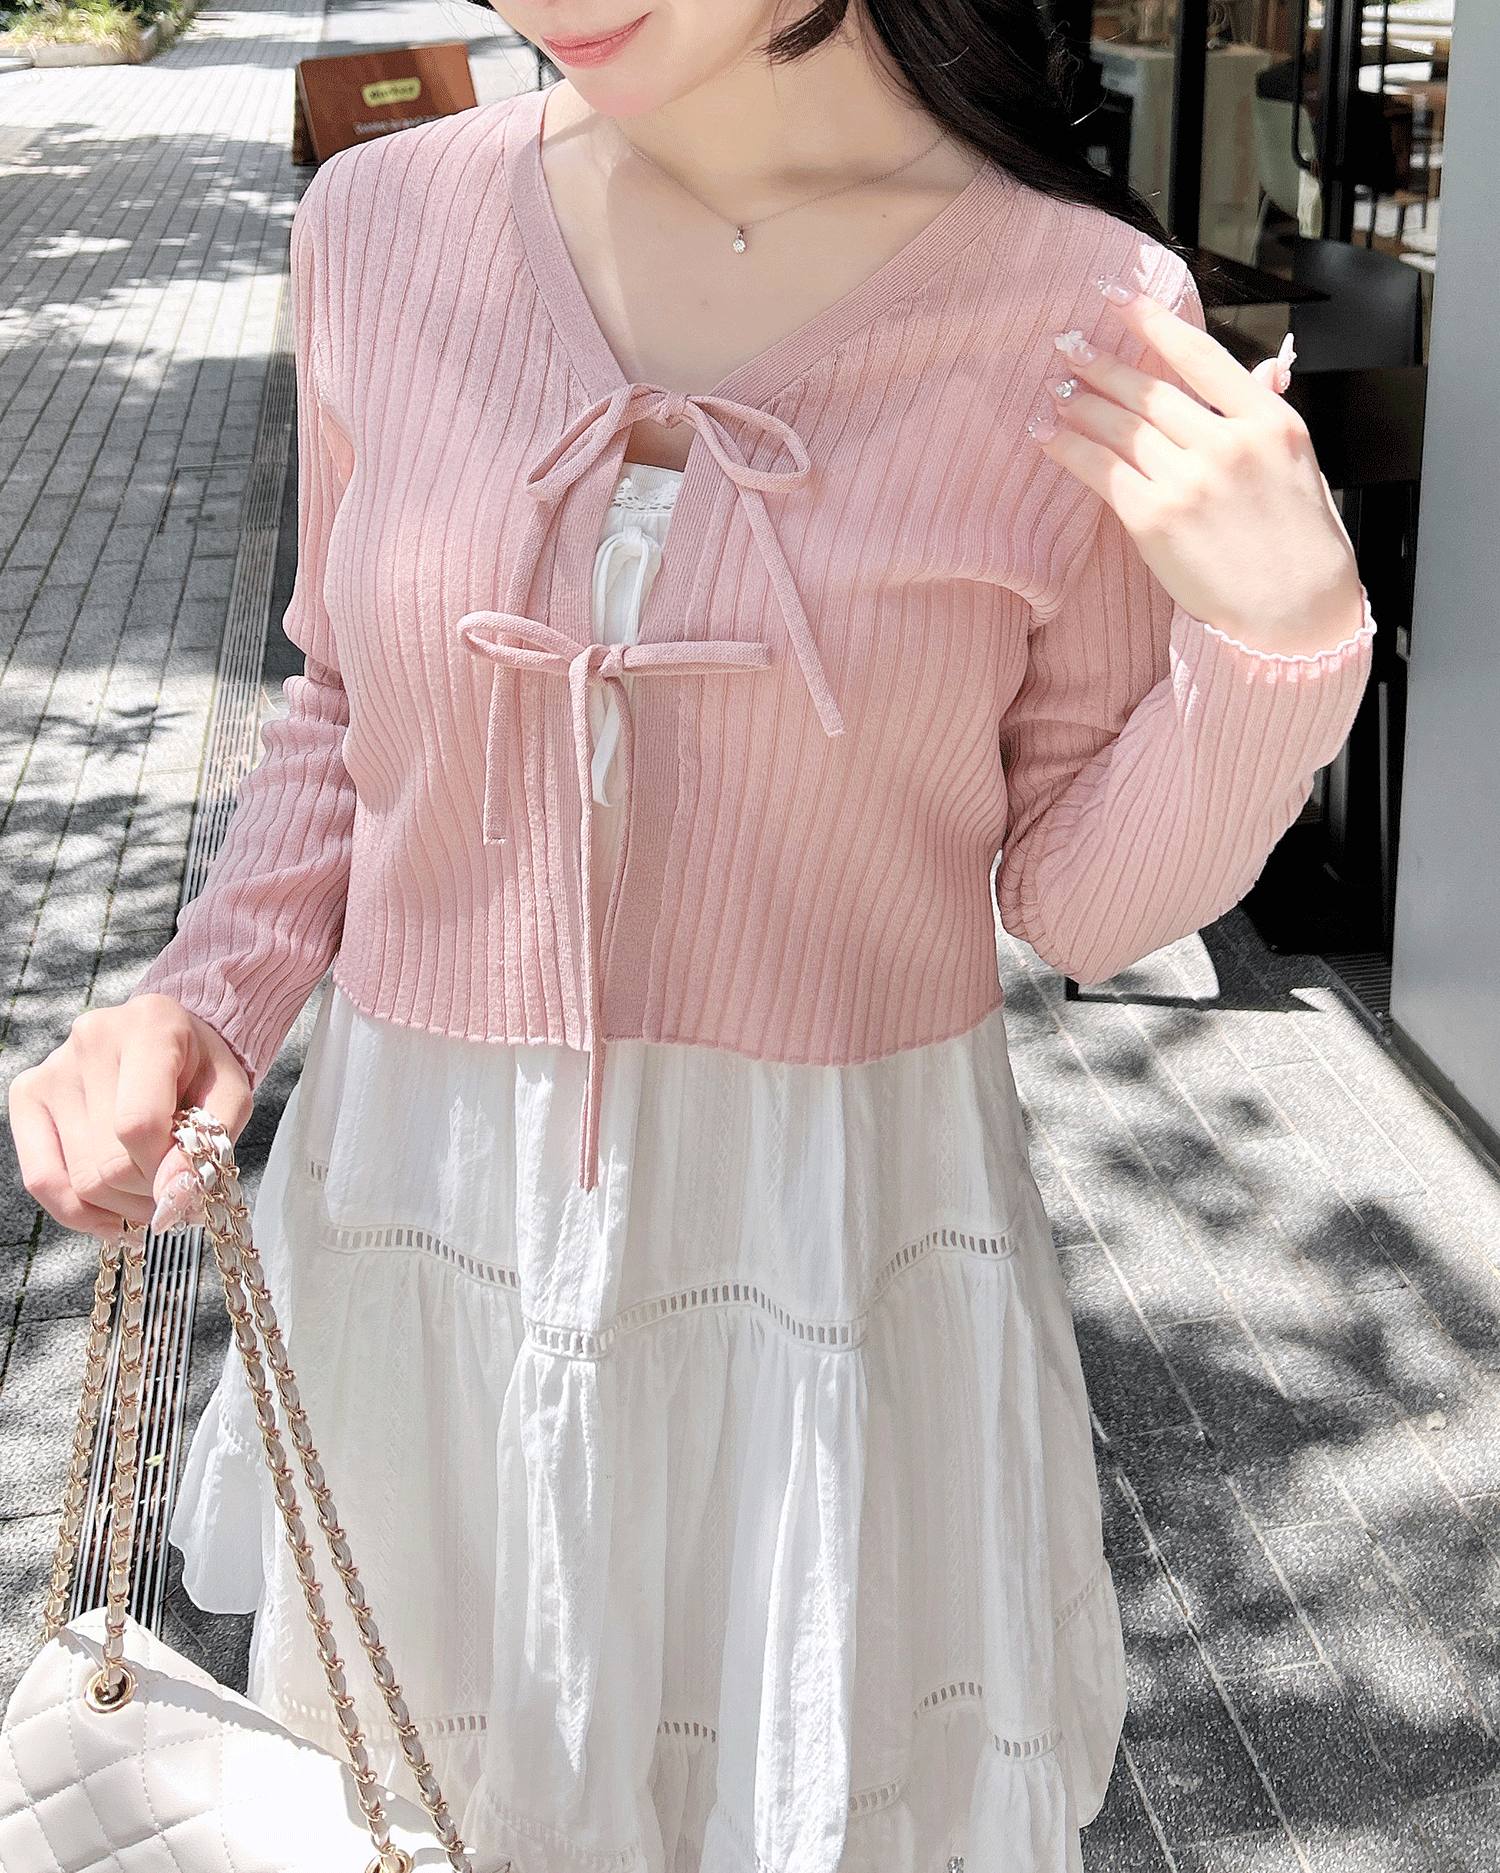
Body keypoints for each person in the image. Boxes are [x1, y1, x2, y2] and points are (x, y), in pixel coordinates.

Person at [8, 2, 1375, 1868]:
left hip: (820, 1256)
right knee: (421, 1800)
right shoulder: (384, 225)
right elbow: (343, 696)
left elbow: (1078, 897)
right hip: (425, 1220)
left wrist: (1285, 648)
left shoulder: (1082, 308)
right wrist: (208, 993)